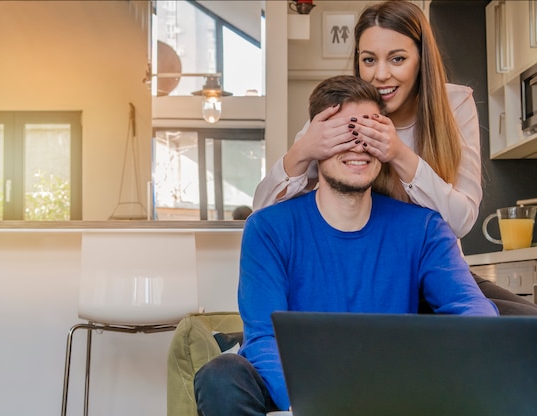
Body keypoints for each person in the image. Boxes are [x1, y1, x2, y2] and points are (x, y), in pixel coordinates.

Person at [193, 75, 499, 416]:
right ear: (314, 143)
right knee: (221, 376)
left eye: (368, 134)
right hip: (298, 388)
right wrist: (306, 406)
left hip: (388, 386)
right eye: (341, 135)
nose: (356, 147)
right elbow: (264, 337)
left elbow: (474, 311)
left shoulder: (424, 228)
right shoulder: (268, 228)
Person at [253, 0, 537, 316]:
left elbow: (461, 220)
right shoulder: (339, 112)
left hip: (438, 271)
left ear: (421, 60)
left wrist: (400, 155)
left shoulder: (454, 105)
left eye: (398, 59)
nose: (381, 75)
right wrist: (302, 151)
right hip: (375, 276)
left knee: (523, 326)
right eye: (369, 60)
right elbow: (264, 213)